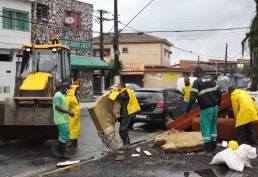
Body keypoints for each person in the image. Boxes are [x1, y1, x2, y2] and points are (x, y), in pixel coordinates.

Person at [186, 67, 222, 156]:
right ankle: (213, 149)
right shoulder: (211, 79)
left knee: (206, 129)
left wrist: (187, 111)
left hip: (206, 109)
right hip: (215, 107)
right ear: (203, 72)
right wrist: (219, 105)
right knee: (213, 128)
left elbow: (192, 98)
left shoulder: (197, 82)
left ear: (195, 73)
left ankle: (208, 150)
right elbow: (219, 92)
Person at [111, 82, 141, 150]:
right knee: (124, 129)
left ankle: (125, 144)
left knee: (122, 129)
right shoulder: (123, 91)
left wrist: (114, 92)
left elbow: (120, 96)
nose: (117, 88)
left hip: (127, 114)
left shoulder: (126, 91)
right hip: (124, 114)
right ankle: (127, 144)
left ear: (121, 86)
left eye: (118, 87)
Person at [51, 82, 75, 159]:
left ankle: (62, 153)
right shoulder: (58, 95)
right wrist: (68, 112)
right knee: (65, 133)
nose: (69, 91)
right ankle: (55, 149)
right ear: (65, 88)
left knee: (65, 134)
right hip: (60, 119)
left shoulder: (62, 95)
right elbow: (57, 107)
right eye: (68, 89)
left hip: (63, 118)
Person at [66, 85, 81, 151]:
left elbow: (66, 107)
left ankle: (74, 146)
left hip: (73, 114)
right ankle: (73, 145)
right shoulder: (72, 94)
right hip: (75, 114)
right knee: (74, 129)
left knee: (72, 130)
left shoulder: (69, 97)